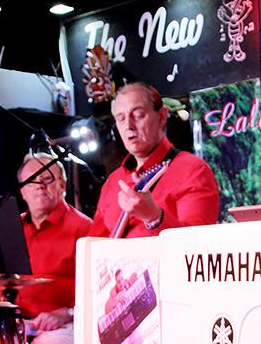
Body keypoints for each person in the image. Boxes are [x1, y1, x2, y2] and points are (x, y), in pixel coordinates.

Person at [11, 153, 92, 344]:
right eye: (33, 181)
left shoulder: (84, 228)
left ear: (62, 185)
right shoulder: (12, 229)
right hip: (23, 324)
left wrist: (66, 312)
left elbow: (101, 291)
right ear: (22, 191)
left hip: (71, 323)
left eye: (47, 179)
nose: (40, 186)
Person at [88, 82, 220, 238]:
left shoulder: (192, 170)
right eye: (121, 118)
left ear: (162, 116)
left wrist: (154, 216)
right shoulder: (113, 181)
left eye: (138, 115)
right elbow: (95, 244)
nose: (128, 125)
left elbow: (197, 244)